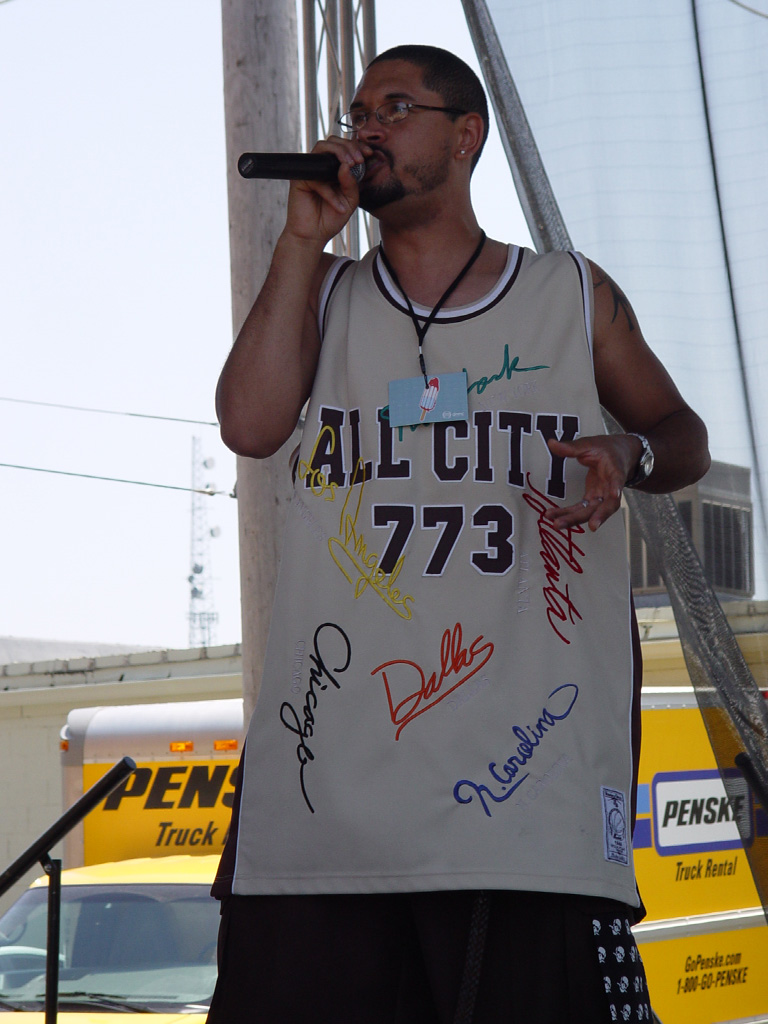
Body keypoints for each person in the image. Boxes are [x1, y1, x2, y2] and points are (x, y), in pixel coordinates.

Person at [207, 44, 710, 1024]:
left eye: (396, 107)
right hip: (326, 812)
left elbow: (681, 434)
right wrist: (301, 240)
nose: (367, 129)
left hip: (524, 807)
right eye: (358, 113)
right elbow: (249, 425)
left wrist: (631, 453)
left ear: (466, 135)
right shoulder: (324, 293)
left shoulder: (570, 295)